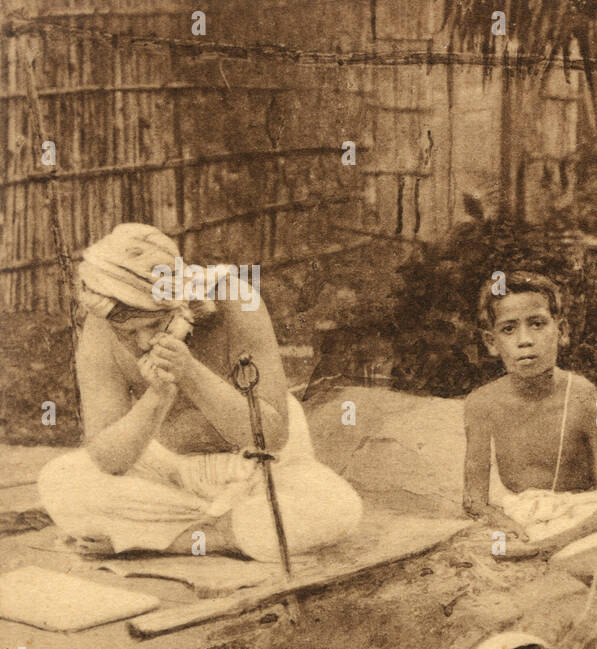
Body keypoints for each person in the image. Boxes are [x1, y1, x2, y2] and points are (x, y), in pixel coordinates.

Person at [38, 223, 362, 562]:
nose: (143, 343)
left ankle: (178, 539)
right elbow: (107, 458)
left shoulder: (237, 302)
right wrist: (157, 398)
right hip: (173, 474)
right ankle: (229, 529)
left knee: (336, 508)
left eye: (153, 325)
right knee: (61, 481)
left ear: (182, 305)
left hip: (261, 471)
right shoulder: (103, 323)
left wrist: (190, 372)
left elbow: (272, 437)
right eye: (126, 333)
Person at [462, 271, 597, 588]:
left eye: (537, 323)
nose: (525, 339)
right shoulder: (481, 403)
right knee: (462, 551)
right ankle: (541, 576)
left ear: (562, 331)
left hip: (583, 527)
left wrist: (543, 548)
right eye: (508, 329)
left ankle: (535, 576)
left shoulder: (590, 401)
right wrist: (505, 524)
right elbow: (474, 501)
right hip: (520, 525)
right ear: (491, 342)